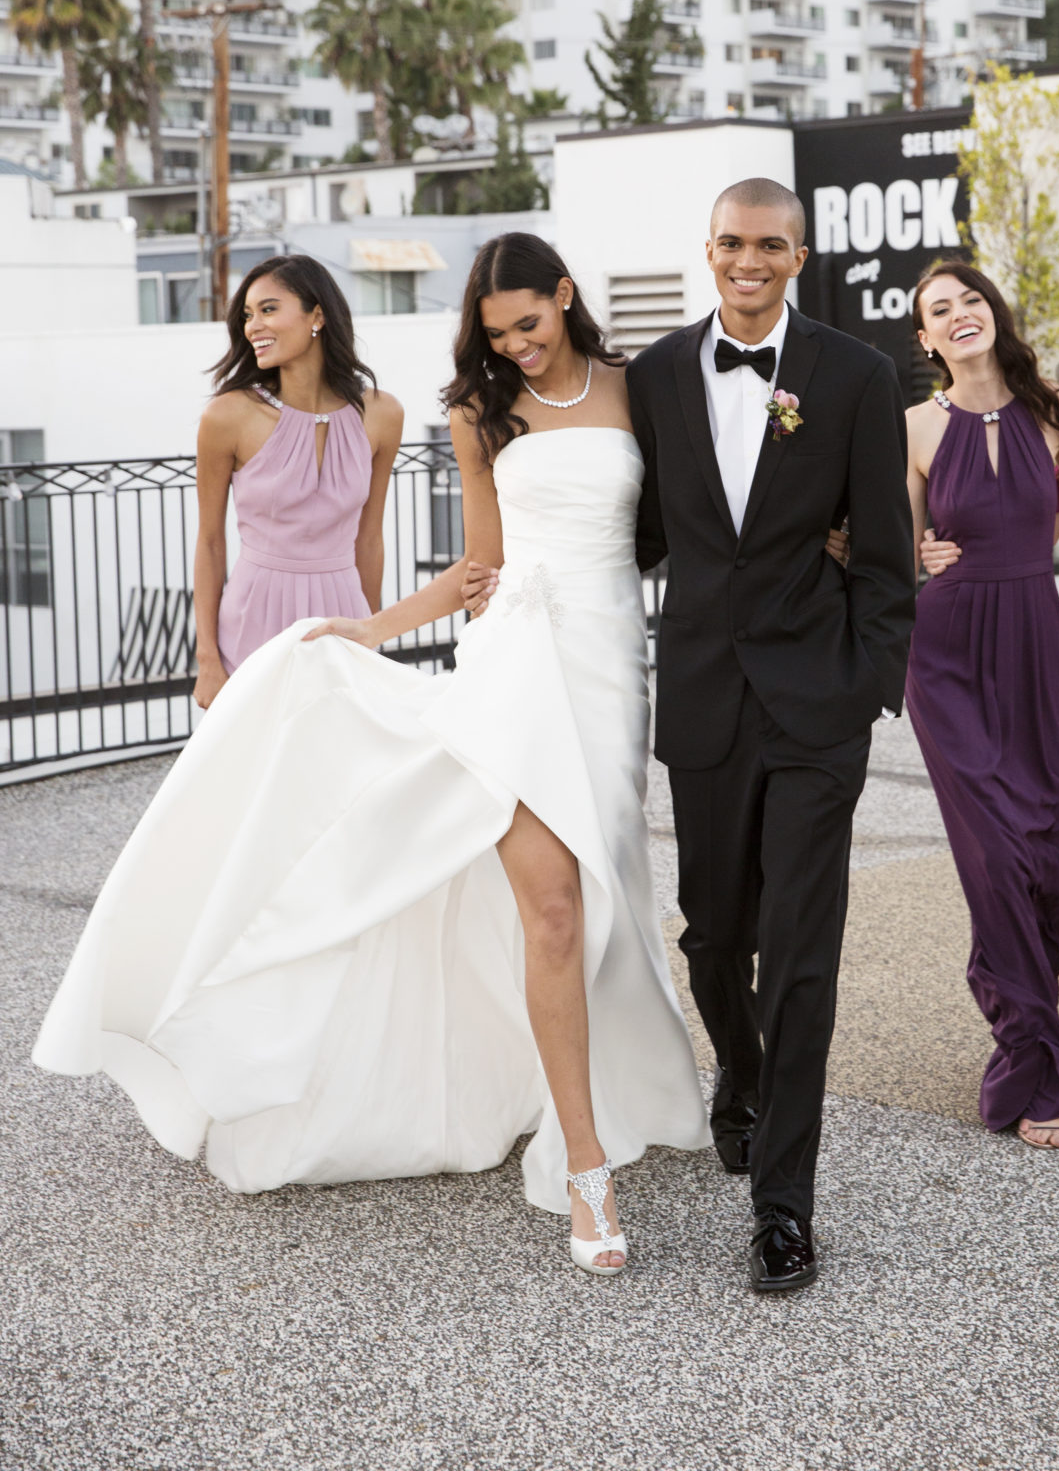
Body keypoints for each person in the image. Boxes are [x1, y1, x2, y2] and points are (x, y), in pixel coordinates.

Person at [34, 234, 709, 1273]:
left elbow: (694, 518)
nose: (517, 346)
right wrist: (367, 628)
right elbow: (481, 564)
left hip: (614, 670)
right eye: (495, 334)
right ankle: (584, 1164)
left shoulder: (640, 388)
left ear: (565, 298)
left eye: (529, 323)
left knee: (612, 892)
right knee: (556, 906)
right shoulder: (478, 410)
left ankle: (574, 1081)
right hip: (516, 663)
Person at [626, 179, 917, 1293]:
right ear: (709, 250)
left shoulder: (857, 374)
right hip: (702, 693)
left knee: (800, 953)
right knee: (712, 935)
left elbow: (886, 552)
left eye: (772, 245)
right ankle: (736, 1071)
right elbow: (638, 526)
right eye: (734, 243)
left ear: (801, 254)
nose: (751, 261)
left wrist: (865, 682)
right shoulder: (652, 376)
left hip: (814, 707)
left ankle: (784, 1205)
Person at [904, 263, 1059, 1151]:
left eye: (969, 300)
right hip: (943, 653)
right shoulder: (909, 426)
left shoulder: (1053, 414)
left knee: (1046, 850)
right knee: (991, 848)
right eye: (938, 311)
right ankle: (1034, 1058)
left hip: (1033, 641)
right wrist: (906, 550)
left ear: (993, 313)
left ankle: (1013, 984)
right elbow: (896, 546)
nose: (958, 316)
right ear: (925, 340)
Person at [192, 254, 404, 708]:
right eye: (247, 315)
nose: (252, 326)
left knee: (343, 765)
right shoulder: (228, 416)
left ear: (318, 315)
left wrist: (372, 634)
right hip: (254, 619)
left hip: (343, 616)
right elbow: (210, 542)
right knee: (257, 769)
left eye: (268, 309)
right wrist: (207, 658)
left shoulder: (383, 414)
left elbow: (369, 539)